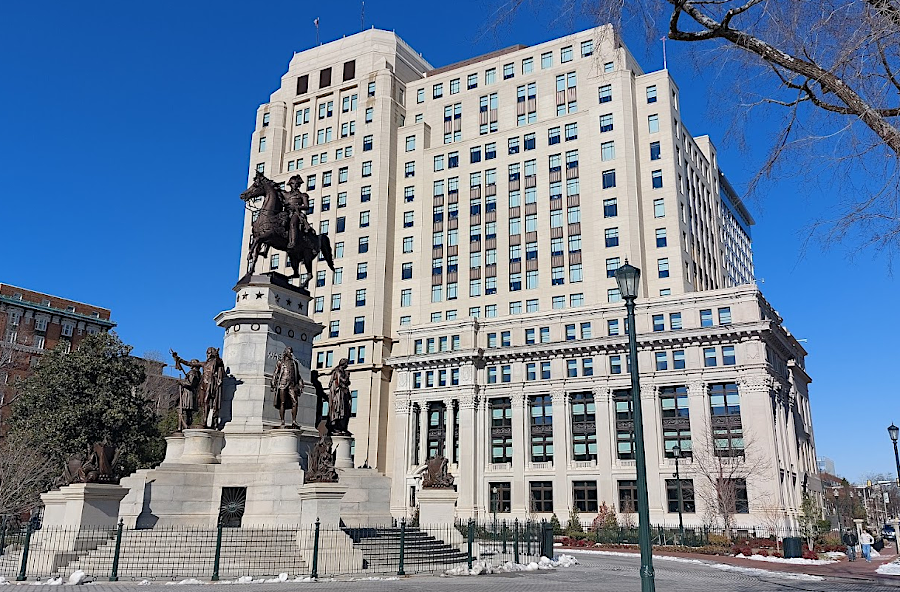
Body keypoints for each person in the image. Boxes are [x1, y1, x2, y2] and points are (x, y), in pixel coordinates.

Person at [284, 175, 311, 249]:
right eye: (292, 183)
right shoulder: (286, 194)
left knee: (293, 223)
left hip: (295, 213)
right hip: (286, 212)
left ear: (298, 185)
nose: (294, 185)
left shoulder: (303, 195)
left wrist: (296, 207)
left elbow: (306, 206)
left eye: (296, 184)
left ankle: (293, 242)